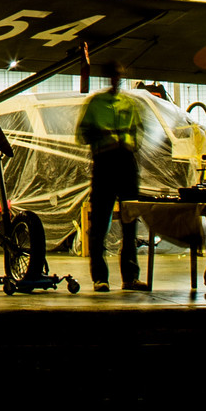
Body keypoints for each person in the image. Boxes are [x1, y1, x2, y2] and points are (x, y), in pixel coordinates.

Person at [73, 67, 147, 291]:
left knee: (130, 222)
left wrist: (129, 143)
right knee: (99, 224)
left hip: (126, 162)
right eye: (113, 75)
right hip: (104, 163)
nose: (116, 80)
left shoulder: (130, 104)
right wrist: (105, 137)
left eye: (119, 76)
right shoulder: (95, 103)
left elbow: (139, 132)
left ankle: (130, 276)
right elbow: (82, 134)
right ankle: (100, 278)